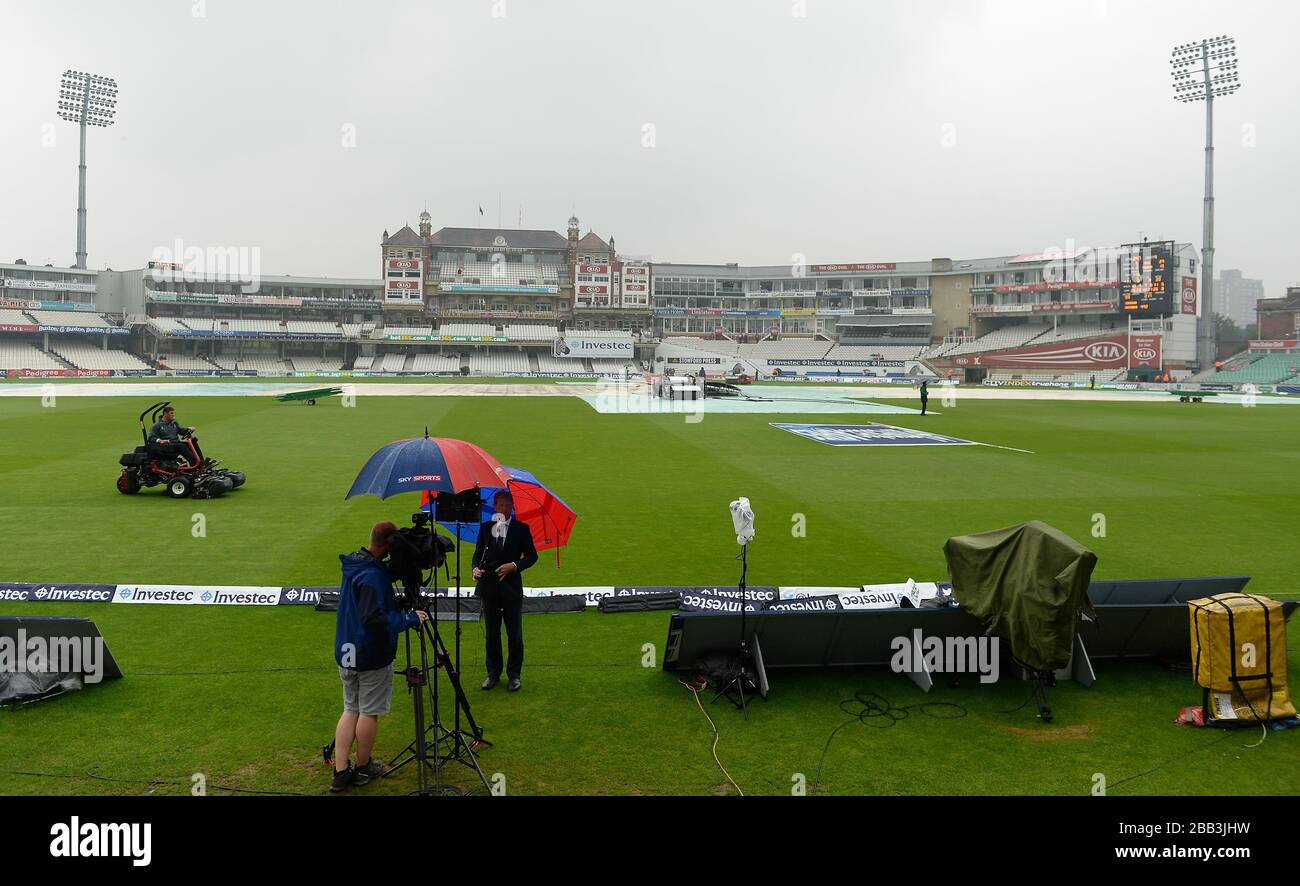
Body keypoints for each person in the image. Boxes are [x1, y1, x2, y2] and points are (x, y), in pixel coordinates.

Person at [331, 521, 428, 792]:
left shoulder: (356, 563)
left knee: (351, 708)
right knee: (368, 712)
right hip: (369, 652)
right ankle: (362, 767)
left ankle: (341, 771)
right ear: (388, 545)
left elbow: (367, 606)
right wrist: (407, 618)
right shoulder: (373, 575)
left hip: (347, 648)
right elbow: (373, 618)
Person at [472, 491, 538, 692]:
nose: (504, 509)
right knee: (492, 633)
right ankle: (493, 673)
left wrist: (514, 566)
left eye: (507, 506)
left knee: (514, 633)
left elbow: (532, 556)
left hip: (511, 590)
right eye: (500, 505)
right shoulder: (485, 529)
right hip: (489, 589)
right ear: (495, 506)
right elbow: (477, 556)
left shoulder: (521, 529)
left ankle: (514, 674)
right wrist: (475, 569)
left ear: (512, 507)